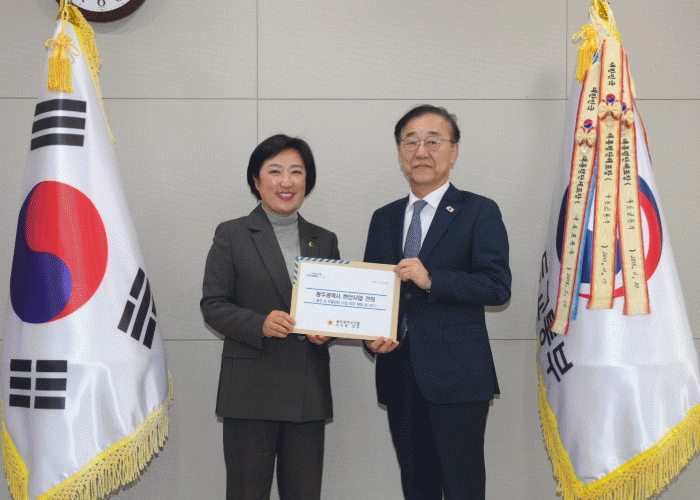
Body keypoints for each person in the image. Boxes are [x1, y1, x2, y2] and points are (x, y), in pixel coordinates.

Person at [364, 105, 511, 500]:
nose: (421, 152)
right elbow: (374, 294)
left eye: (433, 142)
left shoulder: (479, 211)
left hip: (458, 376)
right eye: (410, 142)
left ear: (454, 150)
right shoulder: (384, 218)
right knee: (417, 487)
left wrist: (432, 280)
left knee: (463, 489)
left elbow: (497, 286)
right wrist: (370, 337)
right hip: (399, 375)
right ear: (399, 152)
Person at [201, 134, 339, 500]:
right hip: (251, 391)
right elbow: (213, 304)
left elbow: (333, 308)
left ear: (307, 180)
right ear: (256, 179)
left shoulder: (324, 239)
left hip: (307, 391)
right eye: (275, 171)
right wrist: (258, 324)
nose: (286, 181)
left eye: (296, 171)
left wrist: (328, 331)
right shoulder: (232, 234)